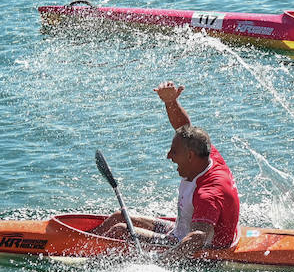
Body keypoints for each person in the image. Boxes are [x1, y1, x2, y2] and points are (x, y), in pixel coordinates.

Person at [93, 82, 240, 261]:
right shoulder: (206, 155)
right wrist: (170, 102)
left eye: (174, 152)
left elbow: (197, 238)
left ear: (190, 156)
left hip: (192, 242)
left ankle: (82, 251)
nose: (169, 156)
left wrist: (160, 262)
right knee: (118, 217)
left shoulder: (208, 194)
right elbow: (184, 128)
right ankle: (88, 239)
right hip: (181, 229)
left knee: (120, 231)